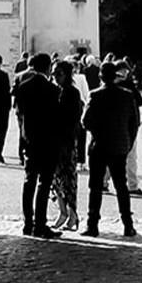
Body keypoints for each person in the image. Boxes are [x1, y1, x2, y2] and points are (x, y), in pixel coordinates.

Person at [82, 61, 138, 237]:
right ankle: (127, 224)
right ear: (115, 76)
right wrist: (128, 142)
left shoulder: (95, 95)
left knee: (96, 186)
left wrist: (97, 131)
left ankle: (92, 225)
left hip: (99, 144)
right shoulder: (127, 95)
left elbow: (85, 121)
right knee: (121, 186)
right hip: (119, 145)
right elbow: (134, 123)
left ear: (100, 76)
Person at [13, 53, 63, 238]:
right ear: (48, 68)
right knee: (44, 183)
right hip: (48, 140)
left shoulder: (23, 87)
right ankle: (40, 224)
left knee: (29, 182)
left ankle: (28, 223)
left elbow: (20, 113)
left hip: (29, 139)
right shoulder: (53, 89)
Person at [50, 60, 83, 231]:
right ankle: (63, 212)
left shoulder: (72, 93)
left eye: (58, 74)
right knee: (56, 181)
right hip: (55, 141)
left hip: (67, 142)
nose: (55, 77)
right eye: (54, 73)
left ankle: (72, 214)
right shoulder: (56, 91)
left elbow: (72, 120)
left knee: (68, 180)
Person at [117, 58, 142, 197]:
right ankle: (132, 185)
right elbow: (140, 101)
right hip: (128, 124)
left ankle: (104, 182)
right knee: (130, 156)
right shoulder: (127, 86)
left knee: (115, 155)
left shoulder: (112, 84)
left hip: (123, 124)